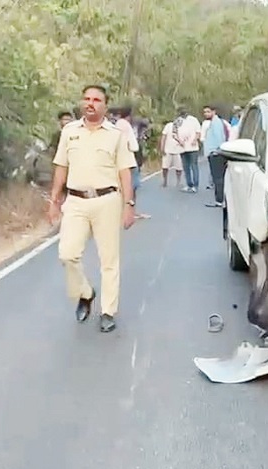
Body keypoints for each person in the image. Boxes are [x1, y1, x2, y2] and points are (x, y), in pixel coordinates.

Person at [47, 85, 138, 333]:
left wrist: (129, 205)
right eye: (86, 99)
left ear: (105, 106)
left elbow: (125, 172)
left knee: (109, 260)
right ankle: (85, 293)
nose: (90, 103)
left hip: (107, 200)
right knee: (67, 254)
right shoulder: (69, 132)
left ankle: (108, 311)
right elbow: (61, 167)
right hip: (75, 201)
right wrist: (54, 201)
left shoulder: (115, 134)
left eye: (97, 100)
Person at [201, 105, 228, 199]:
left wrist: (217, 151)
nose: (206, 114)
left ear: (214, 112)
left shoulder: (216, 123)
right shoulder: (212, 122)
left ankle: (220, 199)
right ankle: (219, 198)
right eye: (204, 112)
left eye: (208, 112)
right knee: (216, 177)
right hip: (212, 152)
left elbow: (219, 138)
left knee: (218, 178)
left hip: (216, 153)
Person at [173, 108, 202, 193]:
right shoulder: (177, 121)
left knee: (194, 166)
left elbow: (198, 132)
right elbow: (174, 133)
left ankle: (195, 185)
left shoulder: (193, 120)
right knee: (186, 167)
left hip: (193, 147)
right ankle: (189, 184)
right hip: (182, 147)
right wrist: (179, 141)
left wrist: (194, 140)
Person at [160, 119, 183, 187]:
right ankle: (165, 181)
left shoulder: (182, 127)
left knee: (179, 167)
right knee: (165, 167)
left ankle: (178, 181)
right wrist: (162, 148)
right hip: (168, 149)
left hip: (178, 150)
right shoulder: (168, 126)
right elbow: (163, 137)